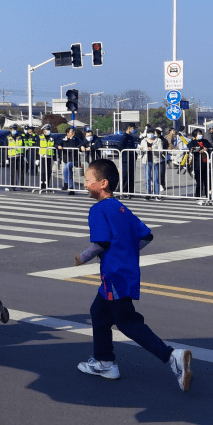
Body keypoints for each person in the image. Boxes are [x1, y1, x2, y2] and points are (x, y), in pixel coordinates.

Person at [74, 158, 193, 392]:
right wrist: (127, 250)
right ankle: (105, 362)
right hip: (127, 271)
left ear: (103, 183)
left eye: (88, 180)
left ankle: (172, 356)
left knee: (127, 322)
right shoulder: (121, 207)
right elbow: (146, 236)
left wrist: (82, 257)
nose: (85, 185)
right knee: (98, 312)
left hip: (114, 273)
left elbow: (101, 243)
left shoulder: (98, 209)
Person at [137, 126, 165, 200]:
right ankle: (148, 194)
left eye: (152, 133)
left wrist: (152, 149)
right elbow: (140, 149)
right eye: (149, 133)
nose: (150, 134)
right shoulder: (144, 141)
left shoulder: (158, 140)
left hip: (156, 160)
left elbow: (161, 150)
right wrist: (143, 149)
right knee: (147, 178)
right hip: (146, 161)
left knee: (156, 178)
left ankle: (157, 195)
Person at [186, 129, 212, 201]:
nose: (200, 135)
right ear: (195, 135)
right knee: (199, 182)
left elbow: (211, 148)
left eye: (201, 133)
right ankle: (198, 196)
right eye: (198, 134)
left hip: (206, 163)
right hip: (198, 164)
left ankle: (209, 196)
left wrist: (206, 149)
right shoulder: (193, 142)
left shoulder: (205, 141)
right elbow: (189, 147)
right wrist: (194, 149)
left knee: (207, 181)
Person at [57, 126, 81, 194]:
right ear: (67, 133)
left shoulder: (76, 139)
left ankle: (66, 183)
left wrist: (80, 146)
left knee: (66, 168)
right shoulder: (64, 139)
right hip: (66, 158)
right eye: (71, 132)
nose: (73, 133)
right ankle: (71, 189)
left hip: (73, 158)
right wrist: (58, 146)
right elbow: (57, 144)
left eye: (73, 132)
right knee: (69, 173)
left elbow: (80, 144)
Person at [117, 124, 138, 198]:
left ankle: (130, 192)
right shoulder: (124, 137)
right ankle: (121, 191)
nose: (134, 130)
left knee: (131, 176)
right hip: (126, 159)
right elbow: (120, 148)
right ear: (129, 128)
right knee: (125, 176)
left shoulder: (131, 137)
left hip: (132, 159)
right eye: (133, 128)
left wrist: (135, 155)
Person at [37, 124, 56, 193]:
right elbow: (37, 148)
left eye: (49, 130)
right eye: (47, 130)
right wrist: (37, 158)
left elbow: (54, 148)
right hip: (42, 157)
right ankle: (42, 186)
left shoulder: (52, 138)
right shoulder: (40, 137)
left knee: (49, 172)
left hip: (49, 157)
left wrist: (55, 159)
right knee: (43, 172)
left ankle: (47, 186)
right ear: (44, 130)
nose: (48, 131)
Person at [6, 126, 24, 192]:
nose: (14, 130)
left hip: (19, 156)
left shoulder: (20, 137)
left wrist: (24, 156)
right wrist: (6, 158)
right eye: (12, 129)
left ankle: (23, 186)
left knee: (21, 172)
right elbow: (6, 148)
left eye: (15, 129)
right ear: (10, 130)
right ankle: (13, 186)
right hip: (12, 157)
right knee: (13, 172)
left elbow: (23, 146)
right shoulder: (8, 137)